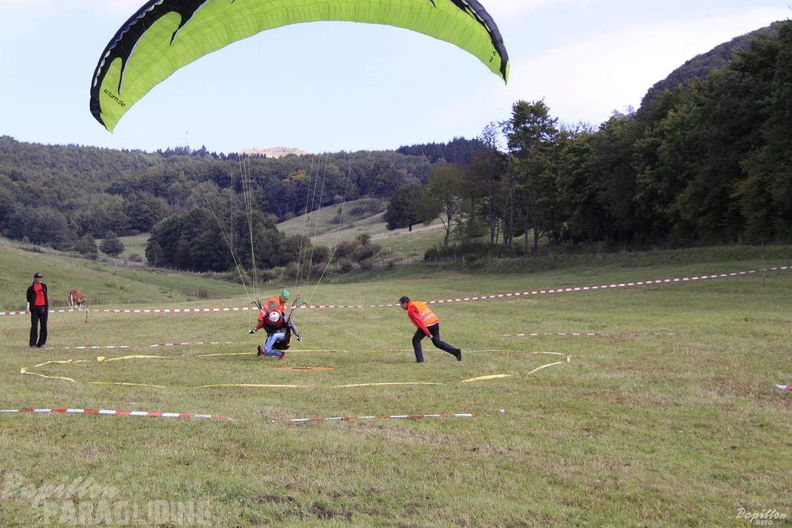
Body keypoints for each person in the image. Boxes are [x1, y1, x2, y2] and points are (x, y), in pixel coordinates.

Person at [399, 296, 461, 363]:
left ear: (405, 303)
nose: (401, 307)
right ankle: (455, 351)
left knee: (415, 340)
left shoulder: (411, 309)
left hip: (427, 325)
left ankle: (420, 360)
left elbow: (419, 322)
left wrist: (428, 334)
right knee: (437, 343)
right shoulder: (417, 303)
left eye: (401, 305)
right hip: (435, 323)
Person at [26, 272, 49, 348]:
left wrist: (46, 307)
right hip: (35, 309)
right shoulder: (30, 288)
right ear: (35, 279)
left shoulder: (44, 286)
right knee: (34, 326)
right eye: (38, 278)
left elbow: (45, 296)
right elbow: (28, 298)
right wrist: (33, 305)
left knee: (44, 326)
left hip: (43, 308)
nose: (40, 279)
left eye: (41, 278)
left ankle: (41, 343)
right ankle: (33, 344)